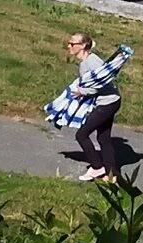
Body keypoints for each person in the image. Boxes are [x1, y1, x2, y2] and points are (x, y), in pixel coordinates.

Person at [51, 33, 132, 183]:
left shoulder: (91, 62)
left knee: (82, 135)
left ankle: (97, 167)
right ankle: (111, 175)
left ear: (83, 46)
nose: (69, 46)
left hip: (108, 103)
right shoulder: (86, 62)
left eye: (72, 44)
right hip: (111, 101)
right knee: (103, 138)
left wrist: (83, 92)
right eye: (69, 43)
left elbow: (103, 80)